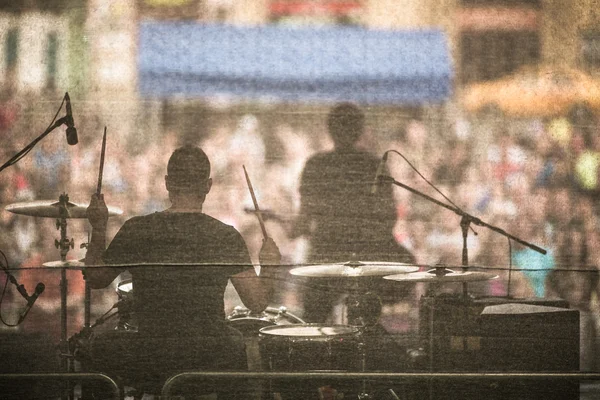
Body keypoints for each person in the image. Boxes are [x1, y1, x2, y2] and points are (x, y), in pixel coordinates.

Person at [83, 145, 279, 398]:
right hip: (211, 355)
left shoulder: (138, 229)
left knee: (97, 345)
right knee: (237, 343)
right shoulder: (225, 236)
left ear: (167, 183)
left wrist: (98, 227)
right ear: (208, 185)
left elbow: (96, 279)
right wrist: (270, 264)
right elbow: (257, 302)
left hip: (150, 355)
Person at [291, 102, 414, 324]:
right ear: (360, 130)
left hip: (326, 257)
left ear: (329, 130)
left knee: (312, 324)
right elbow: (389, 217)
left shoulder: (316, 165)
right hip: (369, 260)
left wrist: (289, 228)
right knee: (365, 325)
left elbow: (301, 223)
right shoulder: (374, 165)